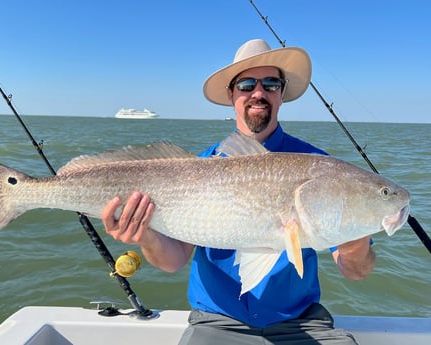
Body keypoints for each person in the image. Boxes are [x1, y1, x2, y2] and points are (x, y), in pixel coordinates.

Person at [101, 39, 375, 344]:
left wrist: (354, 247)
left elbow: (357, 271)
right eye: (246, 84)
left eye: (271, 83)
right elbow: (173, 260)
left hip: (299, 325)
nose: (259, 92)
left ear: (282, 93)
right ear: (232, 94)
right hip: (216, 323)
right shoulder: (201, 165)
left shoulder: (322, 169)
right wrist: (144, 235)